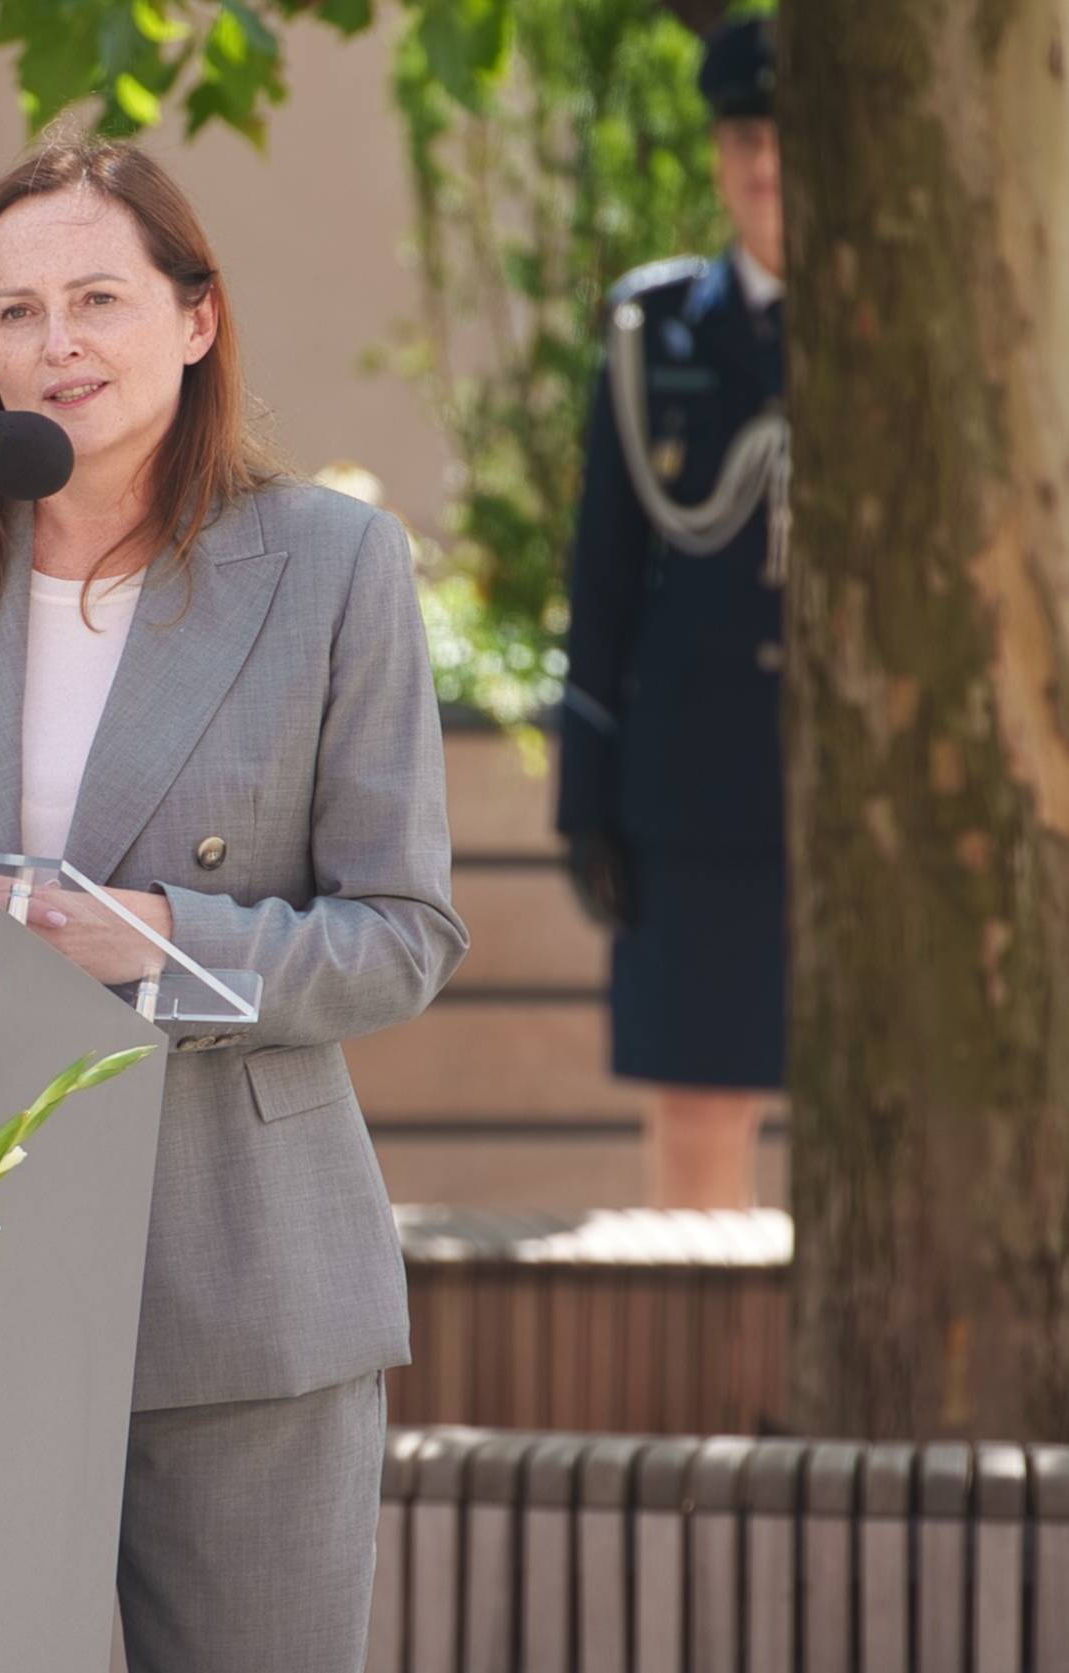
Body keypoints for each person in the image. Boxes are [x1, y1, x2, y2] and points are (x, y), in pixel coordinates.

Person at [0, 140, 466, 1672]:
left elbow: (403, 933)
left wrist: (166, 941)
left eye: (98, 299)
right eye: (15, 311)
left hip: (242, 1282)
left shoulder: (334, 565)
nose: (56, 342)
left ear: (197, 318)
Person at [559, 13, 786, 1210]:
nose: (765, 162)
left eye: (787, 135)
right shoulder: (656, 333)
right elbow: (603, 575)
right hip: (699, 794)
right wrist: (584, 798)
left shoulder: (902, 330)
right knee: (700, 1112)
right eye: (742, 135)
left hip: (877, 793)